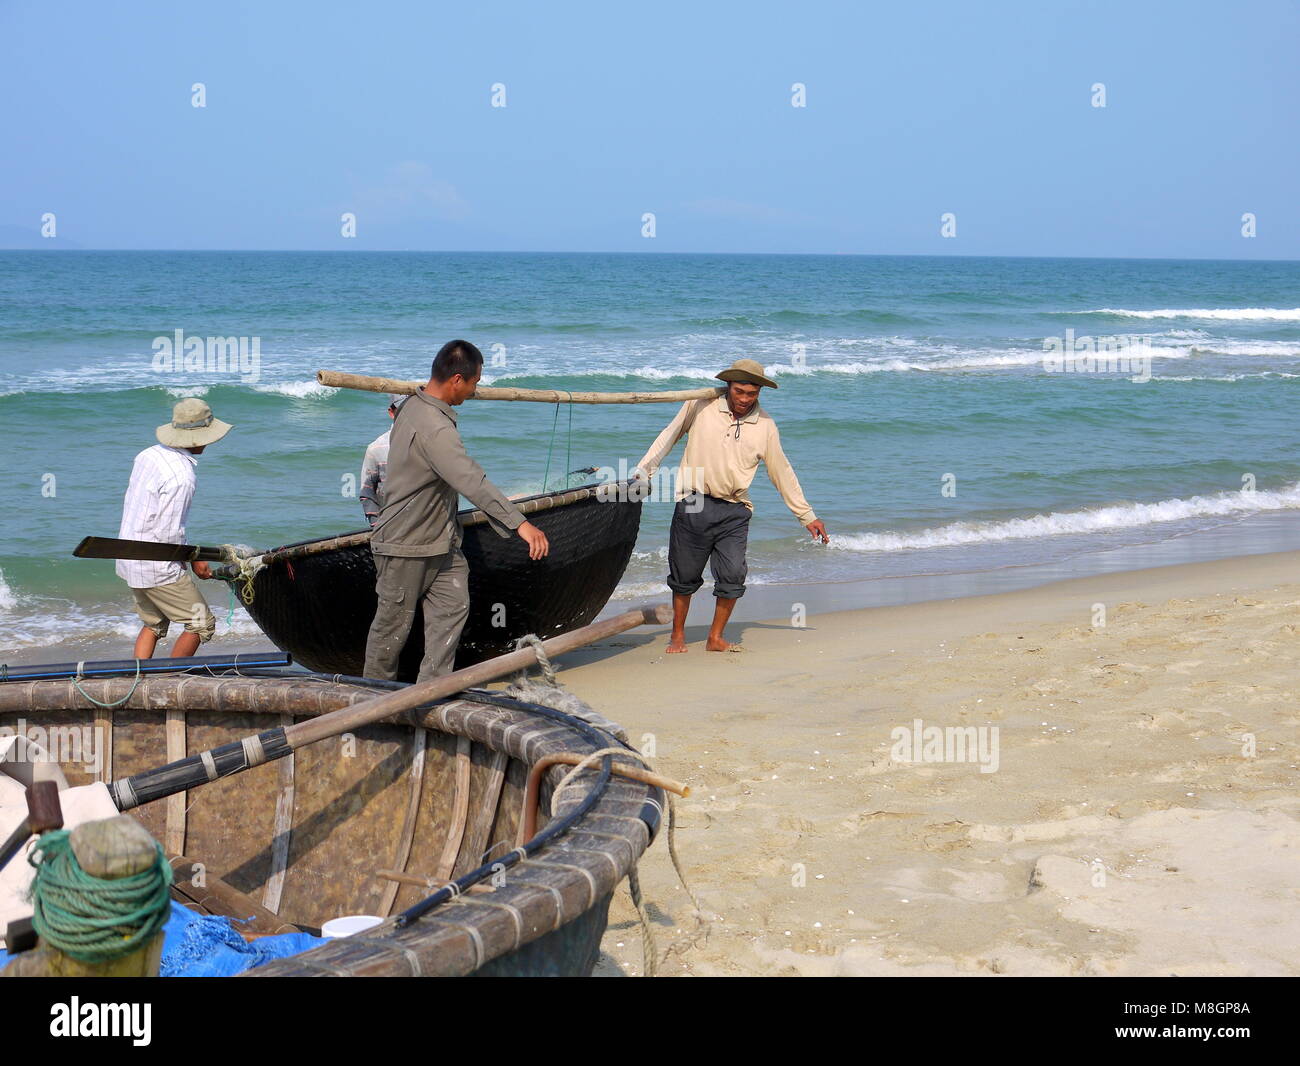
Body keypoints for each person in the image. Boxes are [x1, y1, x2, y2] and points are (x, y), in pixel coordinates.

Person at [364, 340, 550, 681]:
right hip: (405, 544)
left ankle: (433, 692)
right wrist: (521, 525)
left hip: (442, 542)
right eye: (475, 383)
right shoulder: (434, 426)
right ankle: (368, 704)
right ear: (457, 380)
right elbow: (470, 479)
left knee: (452, 610)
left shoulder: (414, 405)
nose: (475, 391)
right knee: (391, 630)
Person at [634, 358, 829, 653]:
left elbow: (781, 471)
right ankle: (677, 635)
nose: (745, 399)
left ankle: (715, 637)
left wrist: (806, 515)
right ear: (728, 387)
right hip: (694, 501)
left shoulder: (765, 426)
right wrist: (642, 472)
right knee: (684, 575)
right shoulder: (699, 405)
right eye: (739, 392)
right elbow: (669, 435)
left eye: (752, 394)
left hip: (735, 510)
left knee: (733, 574)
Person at [117, 397, 232, 658]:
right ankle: (172, 682)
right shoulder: (182, 477)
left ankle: (138, 681)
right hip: (156, 565)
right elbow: (168, 533)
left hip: (129, 555)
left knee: (153, 623)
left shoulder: (148, 455)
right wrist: (194, 559)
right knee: (200, 623)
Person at [360, 393, 406, 527]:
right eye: (403, 410)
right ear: (392, 412)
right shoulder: (376, 449)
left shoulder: (432, 443)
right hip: (391, 526)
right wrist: (377, 527)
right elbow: (367, 493)